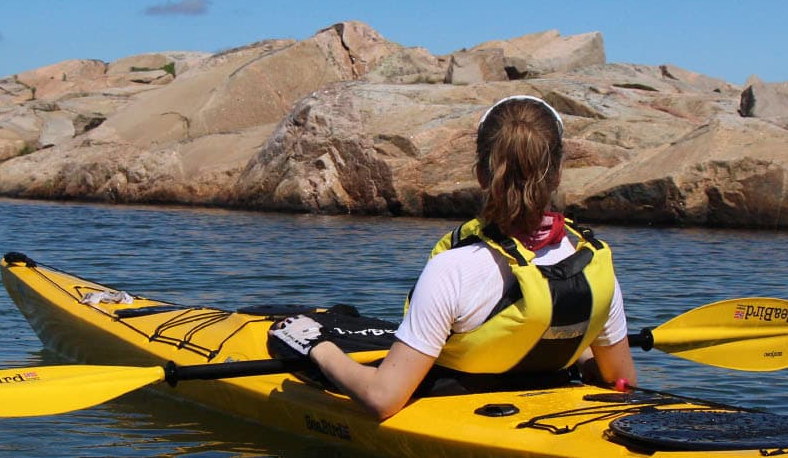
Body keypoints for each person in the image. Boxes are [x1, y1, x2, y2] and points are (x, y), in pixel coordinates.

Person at [268, 95, 638, 421]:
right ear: (557, 174)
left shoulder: (453, 269)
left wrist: (317, 347)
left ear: (480, 175)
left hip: (465, 412)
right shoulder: (591, 262)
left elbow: (382, 399)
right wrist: (575, 350)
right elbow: (621, 380)